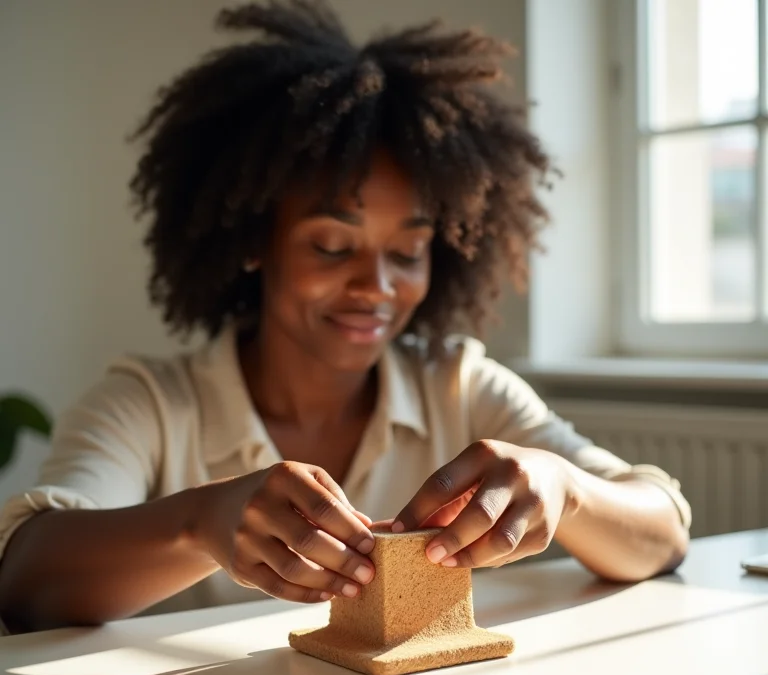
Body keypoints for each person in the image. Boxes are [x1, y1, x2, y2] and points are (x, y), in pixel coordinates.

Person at [0, 1, 690, 634]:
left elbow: (663, 529)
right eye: (332, 245)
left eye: (410, 252)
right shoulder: (149, 405)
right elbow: (23, 579)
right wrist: (198, 523)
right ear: (250, 241)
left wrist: (567, 491)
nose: (377, 286)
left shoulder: (460, 385)